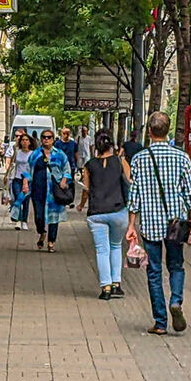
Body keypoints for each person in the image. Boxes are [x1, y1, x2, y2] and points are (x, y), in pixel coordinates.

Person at [127, 111, 191, 334]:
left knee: (154, 272)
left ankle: (160, 322)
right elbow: (190, 194)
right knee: (176, 266)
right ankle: (176, 301)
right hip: (175, 223)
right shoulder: (182, 157)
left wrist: (131, 225)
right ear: (167, 131)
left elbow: (134, 195)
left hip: (150, 224)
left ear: (149, 132)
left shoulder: (139, 158)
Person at [79, 128, 131, 300]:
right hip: (118, 211)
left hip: (96, 213)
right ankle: (117, 284)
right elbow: (130, 183)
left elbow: (86, 190)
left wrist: (81, 205)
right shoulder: (120, 161)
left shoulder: (89, 165)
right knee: (116, 246)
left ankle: (106, 287)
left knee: (102, 250)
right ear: (112, 144)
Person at [27, 128, 72, 252]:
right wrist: (26, 184)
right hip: (38, 190)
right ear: (41, 140)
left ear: (53, 140)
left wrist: (64, 179)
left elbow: (67, 170)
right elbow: (27, 170)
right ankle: (42, 232)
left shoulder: (60, 154)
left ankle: (51, 242)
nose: (46, 139)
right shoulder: (35, 154)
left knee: (54, 217)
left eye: (49, 137)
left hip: (54, 191)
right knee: (39, 217)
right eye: (44, 137)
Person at [10, 132, 33, 230]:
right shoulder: (17, 151)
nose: (24, 142)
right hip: (17, 178)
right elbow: (12, 163)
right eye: (23, 140)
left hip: (28, 179)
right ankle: (18, 220)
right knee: (17, 199)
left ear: (29, 142)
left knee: (26, 200)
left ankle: (24, 221)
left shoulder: (32, 154)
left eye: (26, 140)